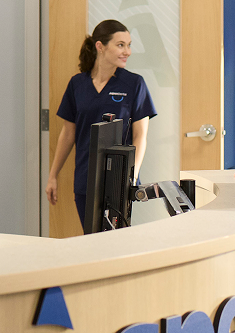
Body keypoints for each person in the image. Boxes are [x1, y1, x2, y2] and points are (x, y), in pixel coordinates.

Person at [45, 19, 157, 226]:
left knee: (116, 244)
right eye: (120, 45)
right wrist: (53, 175)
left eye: (129, 45)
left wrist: (132, 176)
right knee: (91, 241)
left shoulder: (134, 84)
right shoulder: (77, 84)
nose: (128, 51)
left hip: (119, 181)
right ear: (100, 47)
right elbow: (68, 134)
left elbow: (140, 135)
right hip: (85, 179)